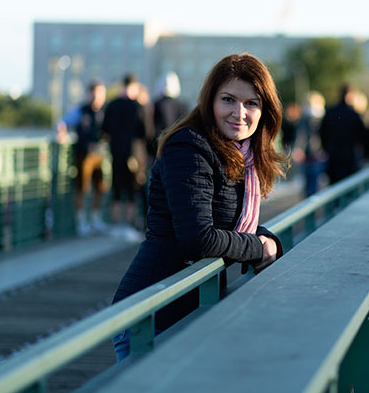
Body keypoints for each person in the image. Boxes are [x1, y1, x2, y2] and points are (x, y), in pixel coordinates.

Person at [111, 53, 287, 361]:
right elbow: (199, 237)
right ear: (210, 101)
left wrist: (267, 238)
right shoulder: (189, 147)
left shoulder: (243, 156)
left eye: (251, 103)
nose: (239, 113)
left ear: (265, 110)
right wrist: (258, 248)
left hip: (192, 310)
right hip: (152, 314)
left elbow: (225, 222)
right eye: (228, 100)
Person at [102, 74, 146, 241]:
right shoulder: (138, 106)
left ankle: (115, 225)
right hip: (133, 156)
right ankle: (129, 225)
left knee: (116, 190)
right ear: (134, 86)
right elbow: (145, 133)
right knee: (131, 191)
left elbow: (104, 130)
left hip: (115, 153)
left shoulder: (111, 105)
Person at [72, 81, 109, 235]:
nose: (97, 98)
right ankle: (81, 222)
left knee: (100, 187)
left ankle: (96, 219)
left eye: (100, 94)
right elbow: (63, 123)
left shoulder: (105, 112)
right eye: (94, 94)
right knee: (82, 188)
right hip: (84, 154)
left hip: (100, 155)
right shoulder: (81, 110)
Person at [320, 84, 367, 184]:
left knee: (334, 188)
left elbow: (322, 133)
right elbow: (363, 136)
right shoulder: (354, 115)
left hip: (334, 156)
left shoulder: (330, 112)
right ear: (350, 95)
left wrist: (327, 149)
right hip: (350, 158)